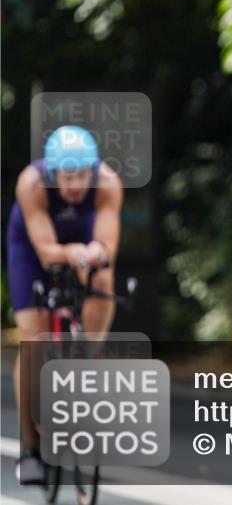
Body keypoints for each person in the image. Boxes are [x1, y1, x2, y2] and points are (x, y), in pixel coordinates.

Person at [6, 125, 124, 484]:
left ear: (94, 170)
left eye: (81, 176)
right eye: (66, 177)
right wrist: (69, 254)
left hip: (83, 236)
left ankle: (90, 350)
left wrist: (96, 252)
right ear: (52, 173)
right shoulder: (31, 184)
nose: (74, 185)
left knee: (103, 277)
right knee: (34, 340)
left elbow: (107, 244)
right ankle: (29, 448)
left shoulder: (107, 183)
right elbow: (46, 252)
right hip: (32, 248)